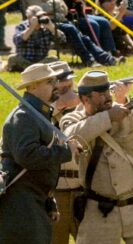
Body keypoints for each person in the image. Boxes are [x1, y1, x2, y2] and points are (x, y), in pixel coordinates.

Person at [60, 70, 133, 244]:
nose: (107, 97)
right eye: (101, 94)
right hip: (98, 209)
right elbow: (71, 135)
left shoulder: (128, 115)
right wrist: (108, 117)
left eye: (107, 92)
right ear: (85, 99)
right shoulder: (73, 119)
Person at [0, 63, 78, 244]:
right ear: (33, 86)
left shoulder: (37, 114)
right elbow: (27, 156)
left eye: (55, 81)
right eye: (50, 82)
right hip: (20, 204)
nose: (56, 85)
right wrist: (65, 152)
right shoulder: (24, 116)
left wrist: (48, 201)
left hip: (34, 201)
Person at [49, 61, 81, 244]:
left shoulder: (83, 107)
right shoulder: (40, 112)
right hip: (55, 190)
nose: (67, 87)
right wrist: (57, 108)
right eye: (61, 83)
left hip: (83, 189)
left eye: (69, 82)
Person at [39, 0, 125, 66]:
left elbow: (64, 9)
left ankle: (108, 56)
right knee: (85, 26)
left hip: (65, 19)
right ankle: (91, 59)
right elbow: (38, 12)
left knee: (87, 36)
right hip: (50, 23)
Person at [7, 5, 65, 72]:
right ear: (29, 18)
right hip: (25, 61)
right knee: (12, 58)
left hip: (41, 62)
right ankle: (29, 70)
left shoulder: (47, 27)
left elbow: (62, 40)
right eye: (38, 17)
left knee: (54, 59)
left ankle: (32, 70)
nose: (40, 19)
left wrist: (52, 28)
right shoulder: (22, 26)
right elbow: (17, 41)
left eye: (42, 16)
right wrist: (31, 28)